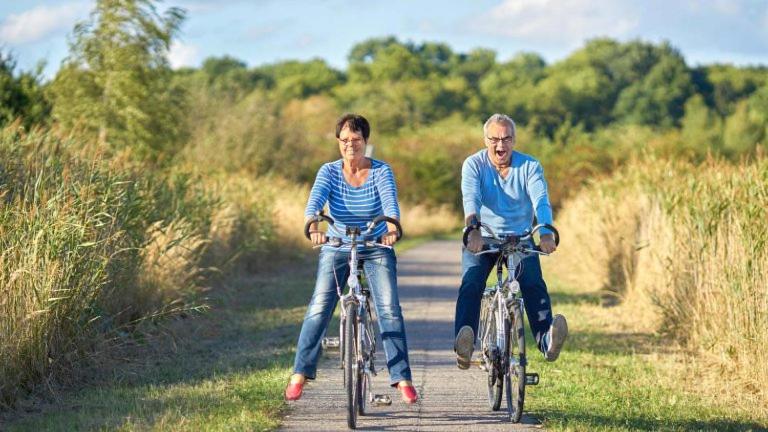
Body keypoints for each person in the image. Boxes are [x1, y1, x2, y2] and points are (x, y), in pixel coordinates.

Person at [284, 113, 418, 404]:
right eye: (344, 140)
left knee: (389, 309)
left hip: (375, 244)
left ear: (366, 142)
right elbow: (315, 204)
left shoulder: (382, 171)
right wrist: (314, 227)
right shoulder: (328, 172)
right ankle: (300, 373)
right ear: (338, 142)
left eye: (356, 140)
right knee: (320, 306)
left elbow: (390, 205)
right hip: (337, 245)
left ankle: (402, 377)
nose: (350, 145)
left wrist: (392, 228)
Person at [454, 113, 568, 369]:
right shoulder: (473, 165)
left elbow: (541, 200)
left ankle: (546, 341)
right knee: (471, 282)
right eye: (494, 139)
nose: (500, 145)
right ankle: (464, 345)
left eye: (506, 139)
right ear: (486, 140)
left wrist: (546, 233)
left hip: (520, 237)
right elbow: (470, 198)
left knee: (533, 284)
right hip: (483, 237)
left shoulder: (530, 166)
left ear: (514, 140)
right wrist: (472, 229)